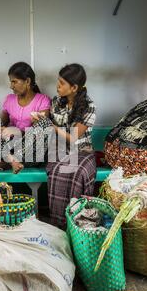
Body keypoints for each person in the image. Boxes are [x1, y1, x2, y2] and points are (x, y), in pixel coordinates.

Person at [38, 64, 97, 229]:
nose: (57, 86)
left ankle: (75, 223)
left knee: (77, 172)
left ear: (74, 87)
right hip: (58, 150)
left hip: (82, 152)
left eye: (62, 83)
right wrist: (41, 118)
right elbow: (46, 120)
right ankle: (58, 224)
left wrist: (53, 127)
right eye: (58, 81)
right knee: (58, 171)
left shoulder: (89, 107)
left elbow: (73, 137)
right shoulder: (56, 102)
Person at [0, 62, 52, 174]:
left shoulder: (43, 100)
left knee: (45, 123)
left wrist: (17, 131)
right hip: (8, 149)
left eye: (14, 81)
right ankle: (9, 160)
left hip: (29, 153)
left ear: (28, 81)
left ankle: (6, 162)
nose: (11, 86)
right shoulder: (9, 99)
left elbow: (40, 132)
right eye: (11, 82)